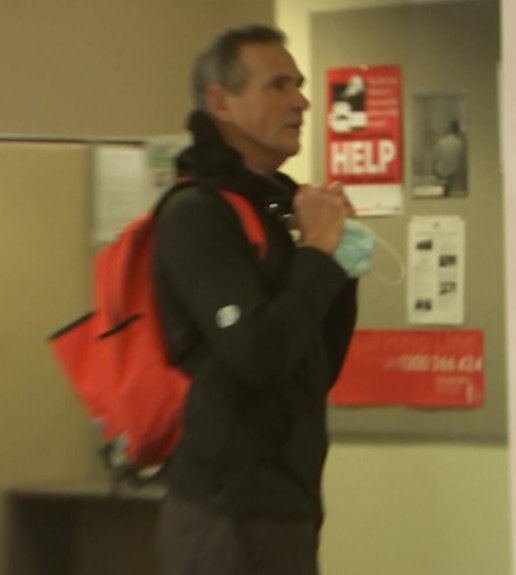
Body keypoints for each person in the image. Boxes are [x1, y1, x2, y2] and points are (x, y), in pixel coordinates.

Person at [151, 24, 360, 575]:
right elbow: (259, 354)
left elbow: (315, 362)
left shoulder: (277, 209)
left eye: (300, 84)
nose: (302, 101)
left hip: (288, 501)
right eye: (278, 86)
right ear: (222, 102)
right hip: (225, 511)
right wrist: (317, 252)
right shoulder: (196, 213)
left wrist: (341, 256)